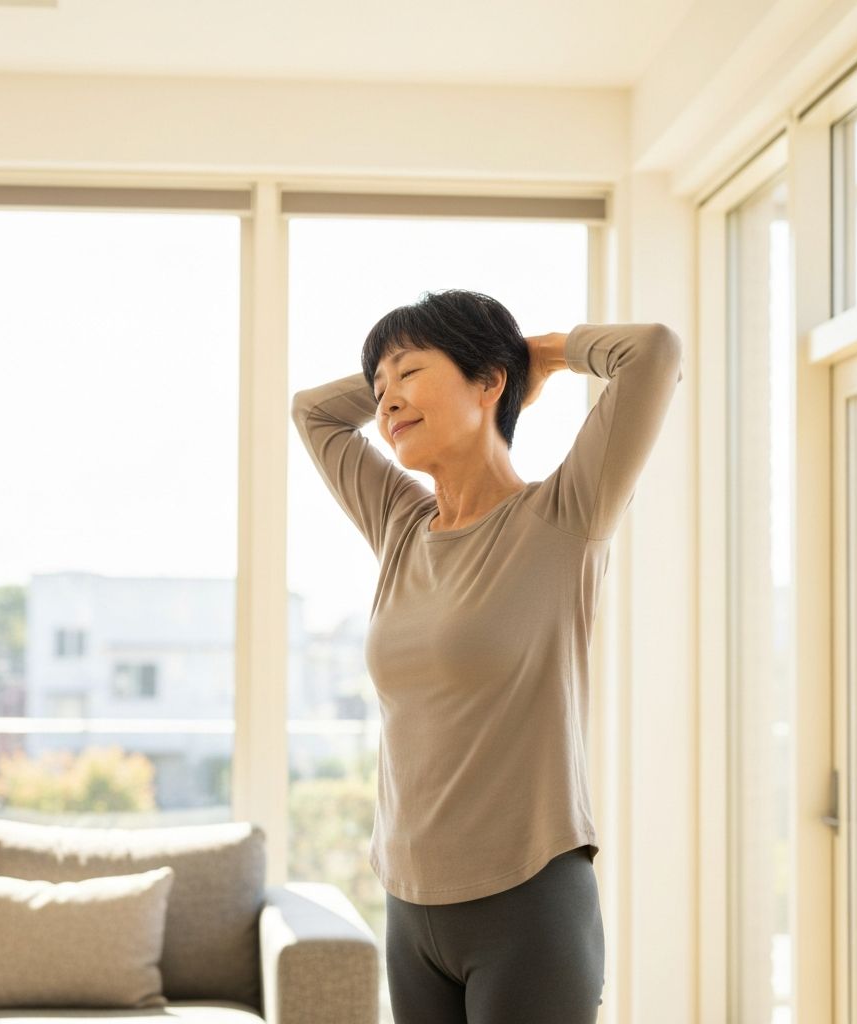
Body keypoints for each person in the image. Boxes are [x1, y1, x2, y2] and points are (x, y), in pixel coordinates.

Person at [290, 288, 684, 1024]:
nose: (386, 402)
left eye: (408, 373)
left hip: (527, 906)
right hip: (409, 906)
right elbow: (312, 411)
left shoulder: (565, 515)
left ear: (489, 381)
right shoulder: (402, 526)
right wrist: (413, 371)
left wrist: (536, 354)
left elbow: (653, 351)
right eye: (378, 388)